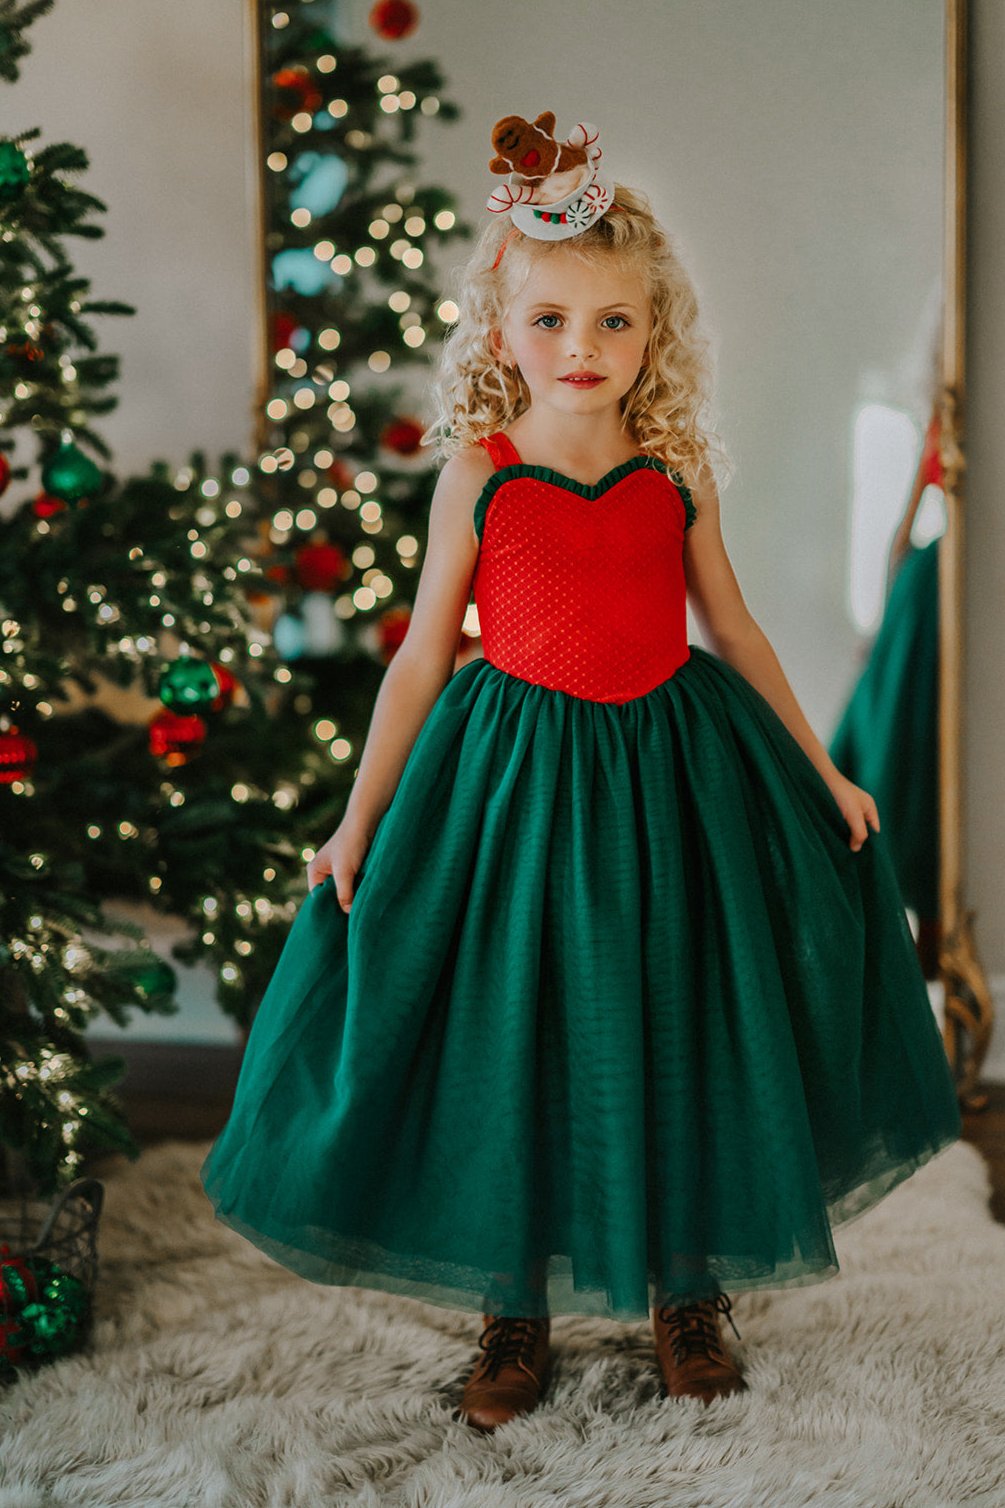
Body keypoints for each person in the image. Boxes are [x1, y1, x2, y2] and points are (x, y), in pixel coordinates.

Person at [200, 112, 962, 1431]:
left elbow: (732, 628)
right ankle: (513, 1309)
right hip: (509, 785)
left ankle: (685, 1290)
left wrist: (820, 772)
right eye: (550, 319)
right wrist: (356, 819)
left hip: (672, 774)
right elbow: (422, 660)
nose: (582, 350)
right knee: (518, 1026)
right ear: (500, 327)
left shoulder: (674, 474)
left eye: (614, 323)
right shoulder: (481, 475)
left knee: (676, 1019)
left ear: (654, 334)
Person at [829, 406, 944, 977]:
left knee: (912, 751)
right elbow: (905, 528)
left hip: (940, 586)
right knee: (898, 745)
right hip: (926, 591)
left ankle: (928, 927)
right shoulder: (946, 421)